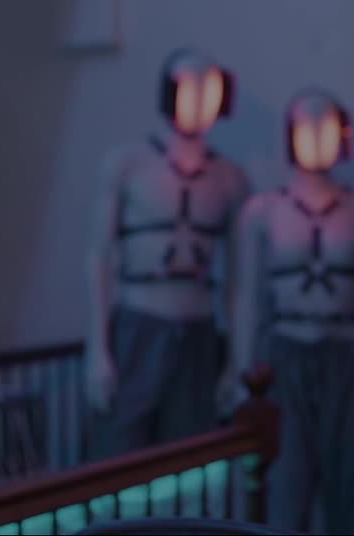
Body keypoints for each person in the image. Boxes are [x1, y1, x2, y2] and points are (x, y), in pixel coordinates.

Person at [83, 48, 251, 461]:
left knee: (188, 458)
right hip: (138, 323)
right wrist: (98, 350)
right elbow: (100, 256)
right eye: (191, 89)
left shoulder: (230, 180)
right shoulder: (127, 165)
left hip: (198, 331)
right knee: (118, 451)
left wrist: (238, 361)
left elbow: (239, 281)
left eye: (210, 91)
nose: (200, 101)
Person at [229, 88, 354, 534]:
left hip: (347, 355)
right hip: (285, 356)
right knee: (285, 483)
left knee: (352, 483)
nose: (316, 138)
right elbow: (248, 296)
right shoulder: (263, 211)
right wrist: (241, 372)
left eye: (326, 129)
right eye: (306, 128)